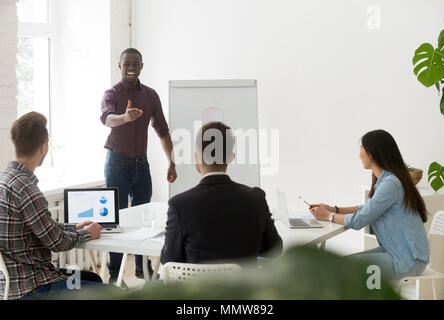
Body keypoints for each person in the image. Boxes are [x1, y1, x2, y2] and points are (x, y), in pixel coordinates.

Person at [0, 112, 106, 300]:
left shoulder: (5, 181)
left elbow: (43, 228)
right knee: (112, 294)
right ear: (43, 147)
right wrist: (89, 232)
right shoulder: (26, 190)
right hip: (34, 288)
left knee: (93, 279)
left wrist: (74, 227)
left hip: (9, 286)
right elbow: (58, 243)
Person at [100, 48, 177, 285]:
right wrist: (124, 117)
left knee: (146, 219)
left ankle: (144, 270)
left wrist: (171, 162)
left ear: (142, 66)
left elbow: (162, 130)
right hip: (117, 164)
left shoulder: (151, 96)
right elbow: (107, 119)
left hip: (141, 165)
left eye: (135, 63)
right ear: (119, 66)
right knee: (117, 220)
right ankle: (115, 274)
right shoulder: (111, 93)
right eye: (126, 63)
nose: (130, 67)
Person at [309, 129, 429, 280]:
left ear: (373, 154)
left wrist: (329, 216)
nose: (359, 155)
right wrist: (334, 209)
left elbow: (359, 220)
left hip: (406, 260)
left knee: (339, 271)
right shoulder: (387, 180)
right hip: (395, 252)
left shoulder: (391, 184)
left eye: (362, 149)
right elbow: (368, 208)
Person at [160, 122, 282, 265]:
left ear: (196, 157)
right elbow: (275, 249)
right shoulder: (256, 198)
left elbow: (168, 259)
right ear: (231, 157)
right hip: (245, 287)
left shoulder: (179, 205)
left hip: (197, 287)